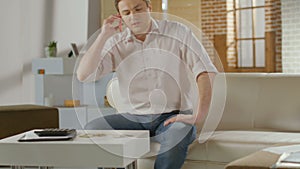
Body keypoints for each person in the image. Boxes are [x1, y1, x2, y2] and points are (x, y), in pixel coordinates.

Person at [76, 0, 218, 168]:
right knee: (92, 128)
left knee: (177, 135)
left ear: (149, 8)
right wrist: (103, 35)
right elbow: (84, 75)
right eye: (126, 13)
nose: (134, 16)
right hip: (132, 118)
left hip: (172, 117)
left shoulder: (177, 32)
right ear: (120, 16)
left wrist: (198, 116)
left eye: (138, 9)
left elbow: (205, 72)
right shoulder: (116, 42)